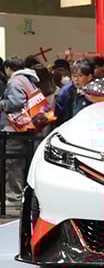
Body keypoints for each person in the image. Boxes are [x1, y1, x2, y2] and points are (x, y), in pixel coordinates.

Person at [2, 56, 52, 213]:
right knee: (22, 163)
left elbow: (15, 103)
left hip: (15, 128)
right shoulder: (28, 80)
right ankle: (19, 196)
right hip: (28, 127)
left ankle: (13, 197)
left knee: (13, 164)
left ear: (9, 68)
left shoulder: (15, 81)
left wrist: (2, 103)